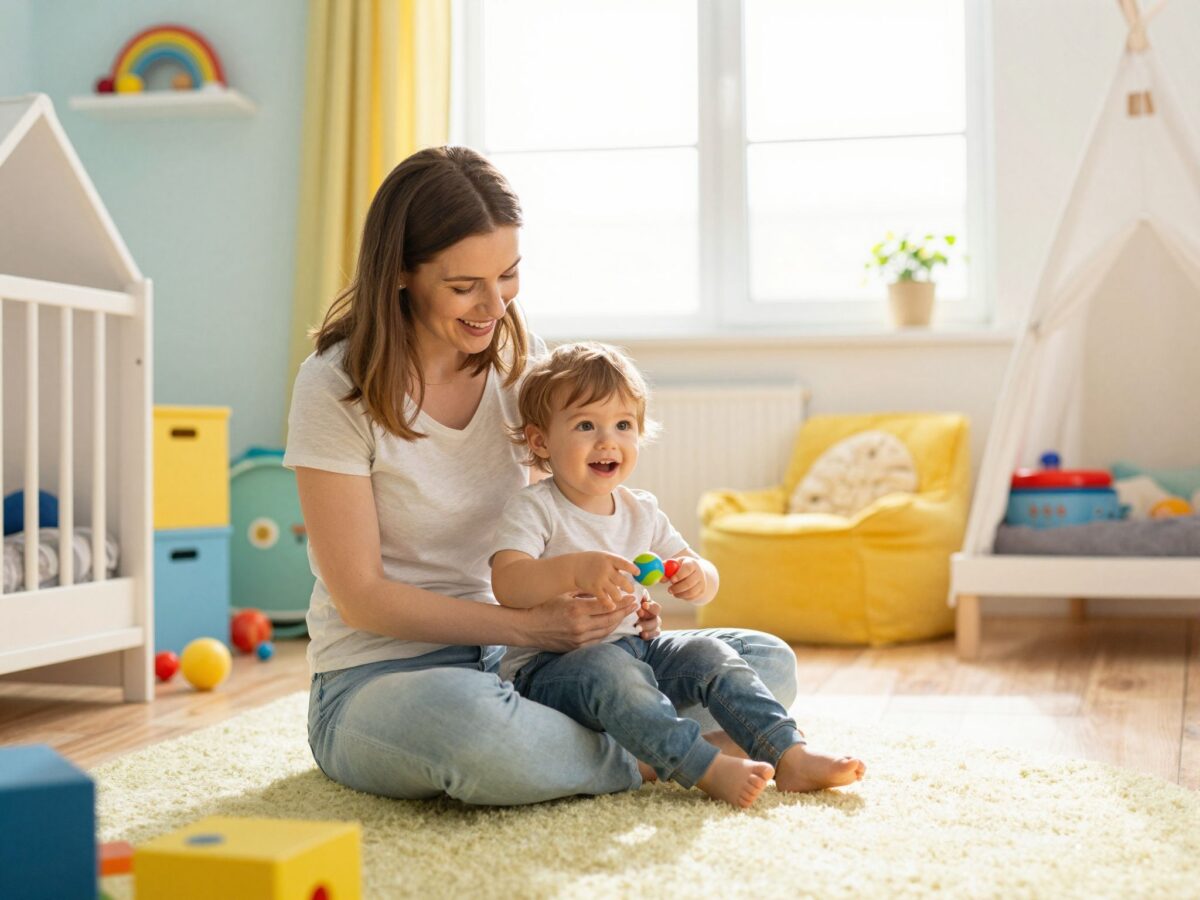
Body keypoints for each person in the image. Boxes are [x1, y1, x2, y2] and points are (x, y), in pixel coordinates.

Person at [286, 145, 804, 806]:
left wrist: (614, 593)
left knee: (763, 662)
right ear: (401, 274)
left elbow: (570, 509)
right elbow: (360, 596)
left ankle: (617, 745)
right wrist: (531, 628)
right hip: (386, 677)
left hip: (524, 665)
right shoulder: (336, 387)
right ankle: (653, 755)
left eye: (508, 275)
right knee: (480, 736)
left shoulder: (519, 368)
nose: (493, 305)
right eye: (463, 286)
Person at [489, 342, 866, 808]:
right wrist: (572, 570)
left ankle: (790, 755)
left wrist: (696, 575)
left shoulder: (640, 509)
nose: (608, 441)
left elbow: (696, 567)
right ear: (541, 441)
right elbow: (507, 582)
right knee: (614, 670)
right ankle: (703, 765)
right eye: (586, 425)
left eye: (623, 425)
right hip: (553, 672)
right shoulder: (535, 508)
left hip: (639, 653)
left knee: (713, 650)